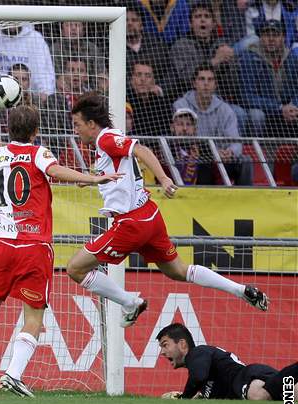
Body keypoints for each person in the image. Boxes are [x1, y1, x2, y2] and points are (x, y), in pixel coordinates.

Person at [0, 107, 122, 397]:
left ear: (8, 129)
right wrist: (92, 178)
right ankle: (13, 374)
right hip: (33, 246)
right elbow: (55, 171)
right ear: (35, 132)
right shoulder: (39, 153)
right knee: (33, 318)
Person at [65, 94, 268, 328]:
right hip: (149, 215)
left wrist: (162, 178)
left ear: (91, 124)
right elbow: (121, 175)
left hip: (130, 223)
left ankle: (130, 302)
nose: (76, 130)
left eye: (77, 125)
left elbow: (142, 151)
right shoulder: (109, 142)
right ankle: (240, 290)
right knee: (179, 271)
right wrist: (92, 179)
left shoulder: (105, 139)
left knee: (75, 268)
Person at [157, 323, 297, 400]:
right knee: (291, 397)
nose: (162, 352)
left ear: (182, 344)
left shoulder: (198, 352)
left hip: (246, 376)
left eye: (165, 345)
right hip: (253, 378)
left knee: (258, 396)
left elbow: (199, 376)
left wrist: (183, 398)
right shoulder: (205, 382)